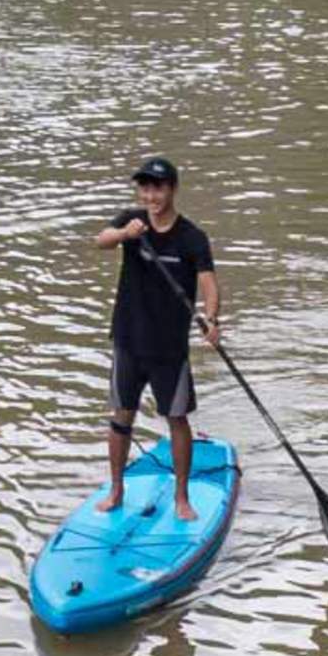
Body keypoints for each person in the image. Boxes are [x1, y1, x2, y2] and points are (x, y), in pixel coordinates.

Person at [93, 155, 220, 520]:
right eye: (145, 188)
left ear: (173, 189)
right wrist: (124, 235)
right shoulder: (129, 222)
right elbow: (101, 241)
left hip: (169, 348)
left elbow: (209, 284)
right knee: (122, 417)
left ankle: (182, 498)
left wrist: (212, 319)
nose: (151, 195)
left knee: (176, 418)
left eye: (158, 188)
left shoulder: (192, 237)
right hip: (128, 341)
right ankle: (116, 491)